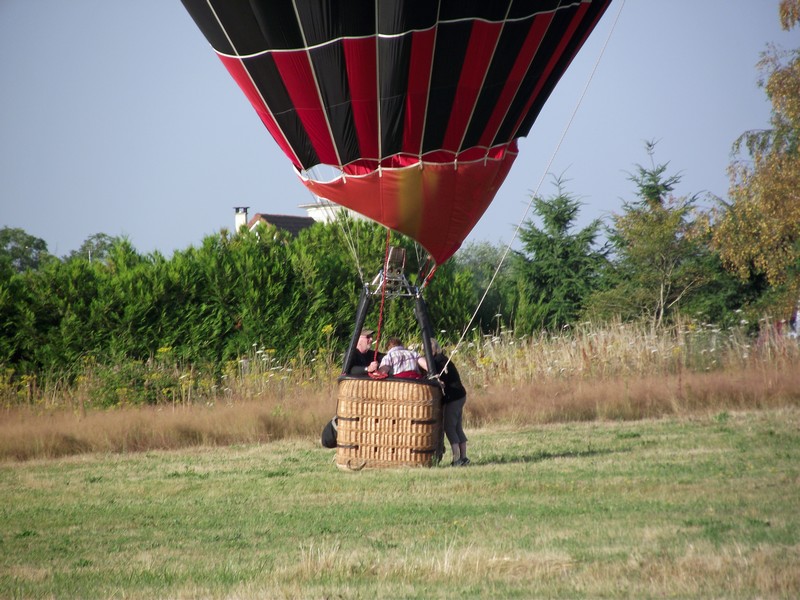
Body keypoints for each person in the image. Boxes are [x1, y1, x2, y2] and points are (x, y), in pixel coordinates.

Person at [430, 339, 469, 466]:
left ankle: (457, 459)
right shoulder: (443, 359)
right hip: (460, 395)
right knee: (457, 427)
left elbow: (434, 377)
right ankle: (464, 458)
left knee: (450, 427)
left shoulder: (437, 362)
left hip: (453, 397)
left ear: (433, 349)